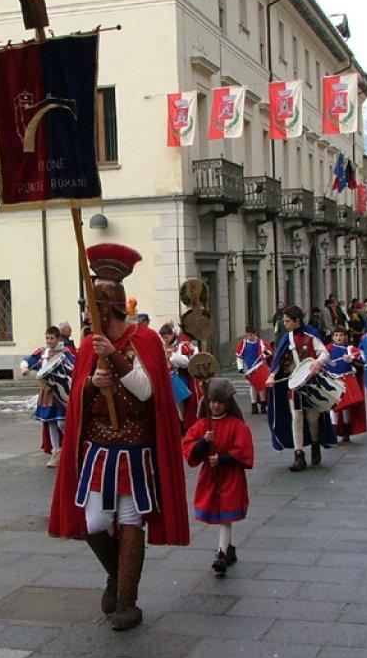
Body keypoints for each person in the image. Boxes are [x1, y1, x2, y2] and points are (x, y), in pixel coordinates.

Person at [48, 242, 189, 631]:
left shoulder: (143, 341)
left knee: (130, 520)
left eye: (96, 310)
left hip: (135, 449)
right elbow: (76, 398)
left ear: (110, 308)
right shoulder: (89, 347)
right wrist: (93, 383)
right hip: (99, 451)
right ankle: (116, 575)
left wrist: (119, 358)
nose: (91, 319)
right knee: (94, 523)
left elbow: (148, 392)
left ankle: (127, 600)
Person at [183, 379, 254, 577]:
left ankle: (221, 553)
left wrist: (223, 458)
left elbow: (244, 450)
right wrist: (203, 444)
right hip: (211, 476)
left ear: (228, 403)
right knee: (223, 513)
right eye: (212, 401)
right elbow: (189, 445)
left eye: (220, 402)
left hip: (230, 476)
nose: (215, 405)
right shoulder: (202, 425)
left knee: (226, 515)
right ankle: (229, 548)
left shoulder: (236, 425)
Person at [265, 305, 335, 472]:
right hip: (294, 386)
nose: (285, 324)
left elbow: (325, 353)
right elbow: (278, 360)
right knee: (296, 418)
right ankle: (299, 456)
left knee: (312, 420)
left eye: (288, 321)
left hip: (311, 384)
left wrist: (318, 362)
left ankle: (315, 444)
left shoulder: (312, 336)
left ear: (297, 321)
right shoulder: (286, 338)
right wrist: (271, 375)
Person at [20, 326, 73, 468]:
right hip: (47, 393)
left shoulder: (65, 352)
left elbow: (74, 366)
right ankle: (57, 452)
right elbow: (28, 360)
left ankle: (71, 448)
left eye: (52, 338)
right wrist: (24, 368)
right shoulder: (42, 352)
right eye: (47, 338)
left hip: (61, 393)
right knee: (51, 422)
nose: (49, 341)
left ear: (58, 338)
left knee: (62, 423)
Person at [326, 326, 366, 443]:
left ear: (346, 337)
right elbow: (320, 361)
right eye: (336, 335)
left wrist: (352, 360)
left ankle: (346, 431)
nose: (339, 337)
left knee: (346, 407)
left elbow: (362, 359)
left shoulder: (350, 349)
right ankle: (333, 432)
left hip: (346, 380)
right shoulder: (328, 349)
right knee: (334, 407)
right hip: (333, 381)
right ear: (332, 337)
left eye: (341, 335)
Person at [235, 325, 272, 414]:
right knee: (252, 386)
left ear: (255, 334)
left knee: (261, 385)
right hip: (249, 368)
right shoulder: (244, 344)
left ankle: (263, 404)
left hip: (259, 366)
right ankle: (253, 404)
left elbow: (268, 352)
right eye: (248, 335)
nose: (250, 337)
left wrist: (265, 354)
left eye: (251, 335)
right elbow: (239, 356)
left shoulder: (260, 343)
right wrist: (240, 367)